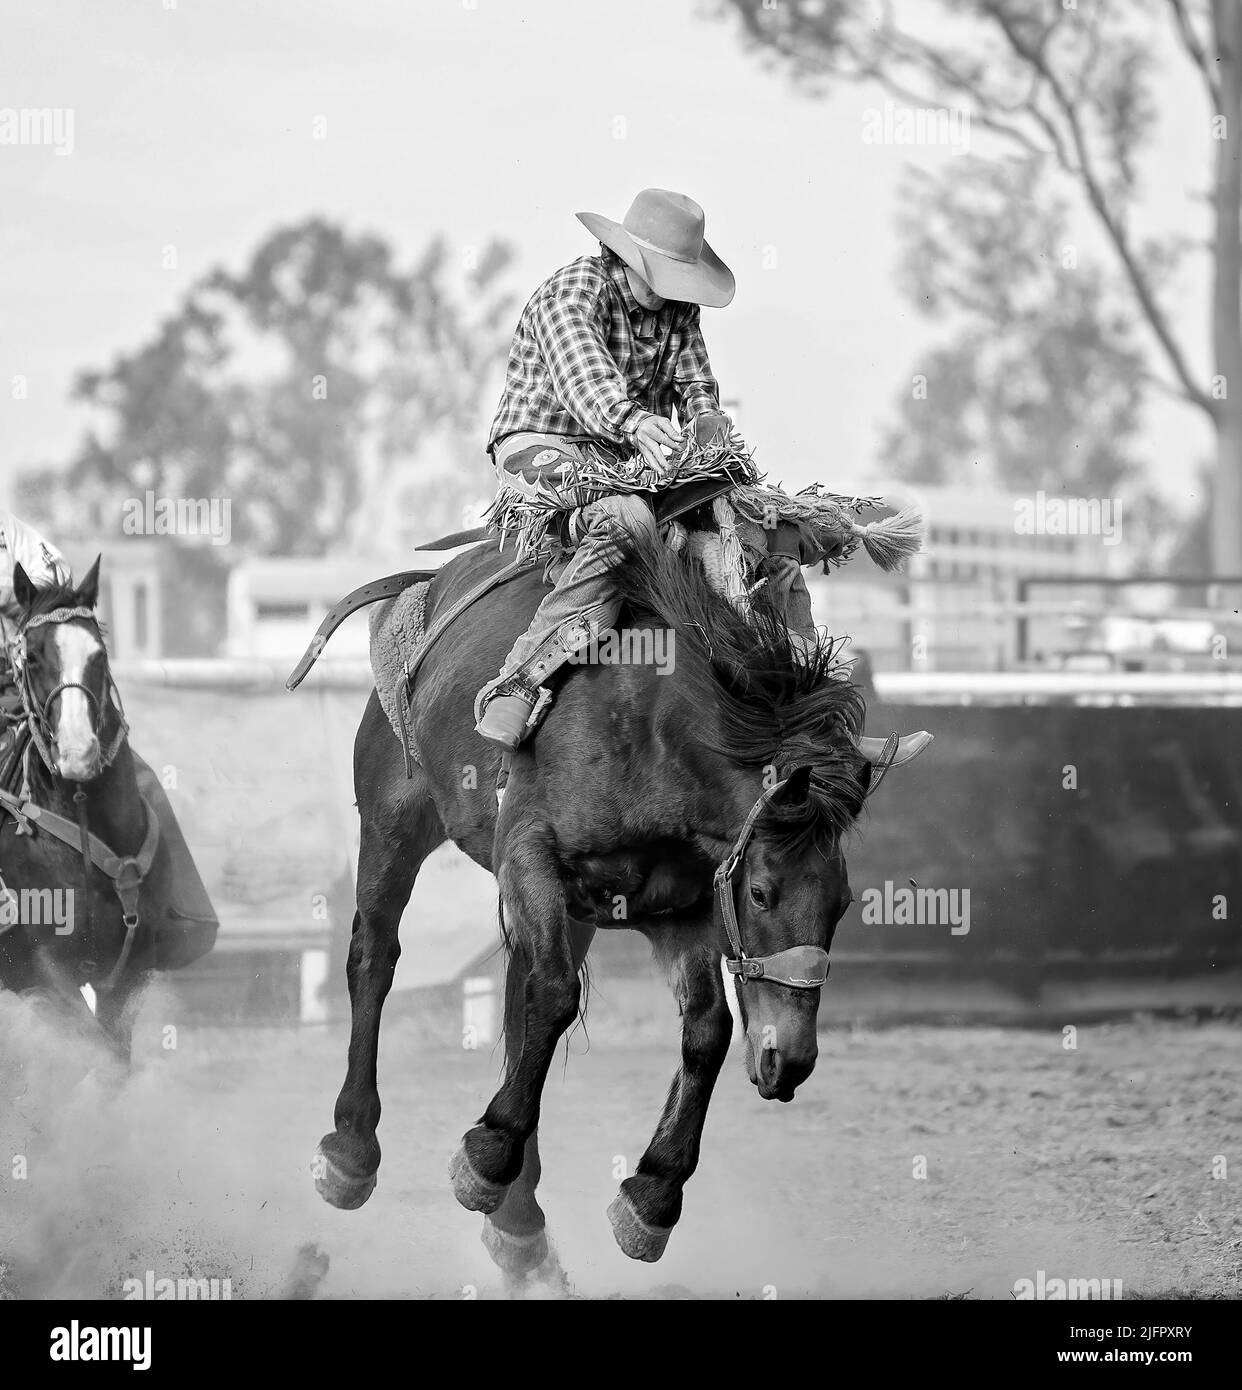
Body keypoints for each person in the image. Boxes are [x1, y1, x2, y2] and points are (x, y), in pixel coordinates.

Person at [475, 187, 823, 751]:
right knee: (625, 523)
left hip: (633, 458)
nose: (676, 292)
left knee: (766, 529)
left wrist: (710, 427)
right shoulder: (572, 294)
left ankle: (809, 693)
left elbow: (695, 385)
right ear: (631, 260)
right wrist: (634, 422)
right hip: (544, 448)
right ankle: (518, 681)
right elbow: (585, 382)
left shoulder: (679, 312)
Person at [0, 507, 218, 965]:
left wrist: (22, 605)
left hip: (33, 682)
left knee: (132, 769)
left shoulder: (14, 537)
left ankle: (179, 911)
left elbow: (55, 592)